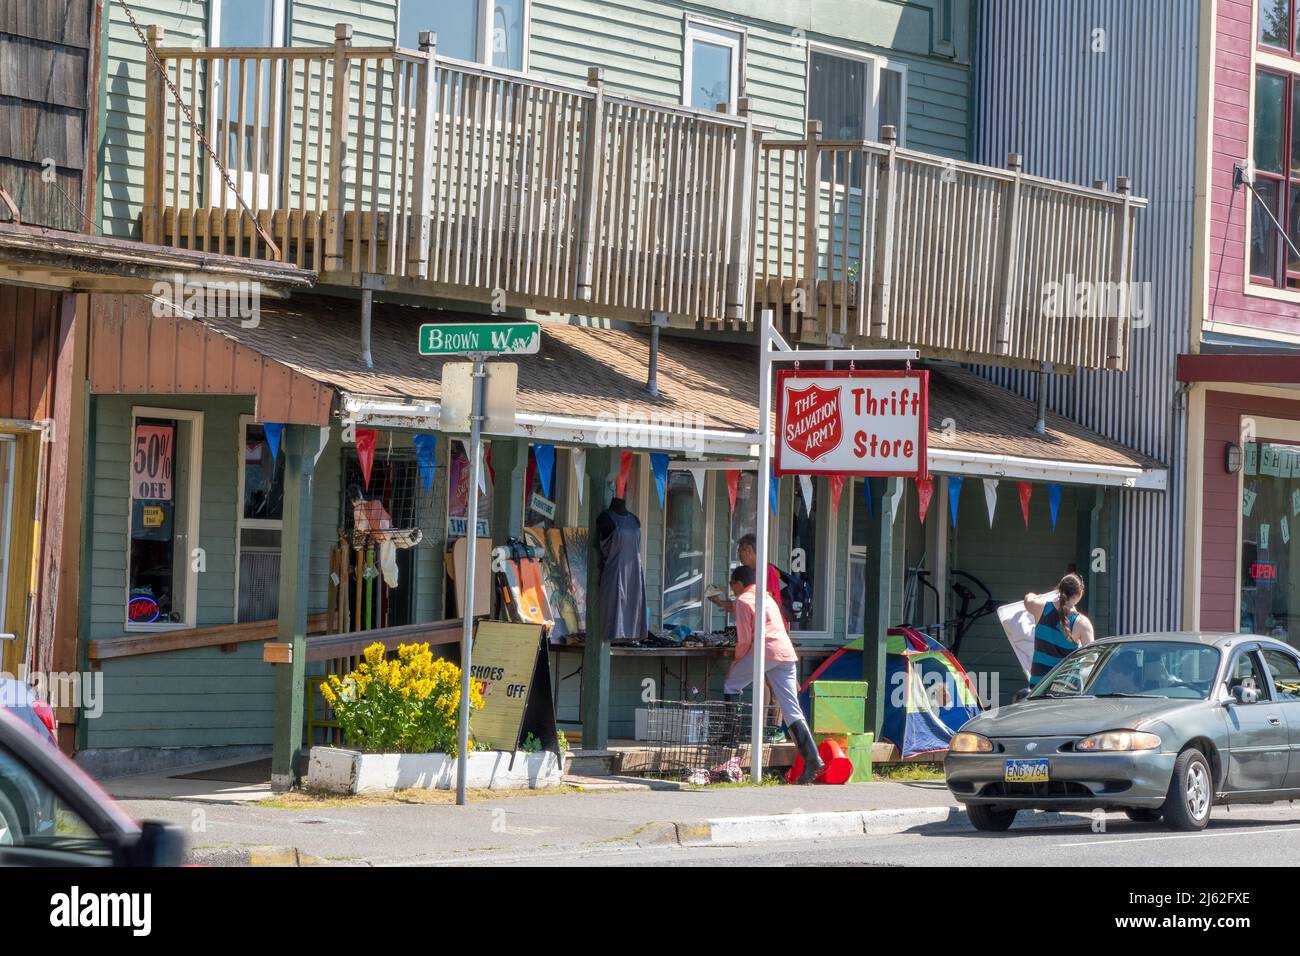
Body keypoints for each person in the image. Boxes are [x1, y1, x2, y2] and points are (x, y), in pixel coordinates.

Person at [723, 564, 824, 784]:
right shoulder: (767, 597)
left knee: (731, 684)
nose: (733, 589)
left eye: (732, 585)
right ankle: (812, 757)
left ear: (739, 583)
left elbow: (744, 639)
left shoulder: (742, 601)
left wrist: (736, 662)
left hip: (763, 651)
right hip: (786, 652)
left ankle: (728, 742)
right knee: (791, 708)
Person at [1025, 573, 1095, 687]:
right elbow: (1091, 659)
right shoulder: (1082, 623)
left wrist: (1032, 595)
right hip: (1067, 688)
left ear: (1059, 589)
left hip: (1038, 686)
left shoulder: (1041, 607)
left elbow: (1027, 601)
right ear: (1079, 594)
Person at [708, 533, 784, 621]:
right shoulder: (750, 572)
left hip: (769, 628)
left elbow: (767, 603)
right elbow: (747, 603)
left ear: (749, 550)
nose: (739, 555)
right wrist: (719, 602)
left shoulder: (767, 570)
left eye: (740, 551)